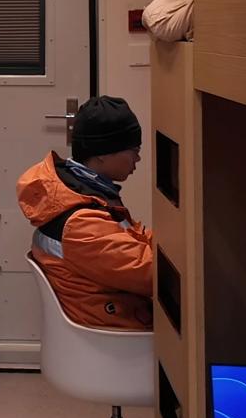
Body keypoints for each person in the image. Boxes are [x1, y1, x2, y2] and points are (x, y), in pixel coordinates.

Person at [16, 96, 154, 330]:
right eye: (134, 150)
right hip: (112, 327)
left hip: (108, 311)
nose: (138, 158)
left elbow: (131, 238)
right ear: (102, 153)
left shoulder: (82, 194)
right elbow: (150, 276)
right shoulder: (81, 222)